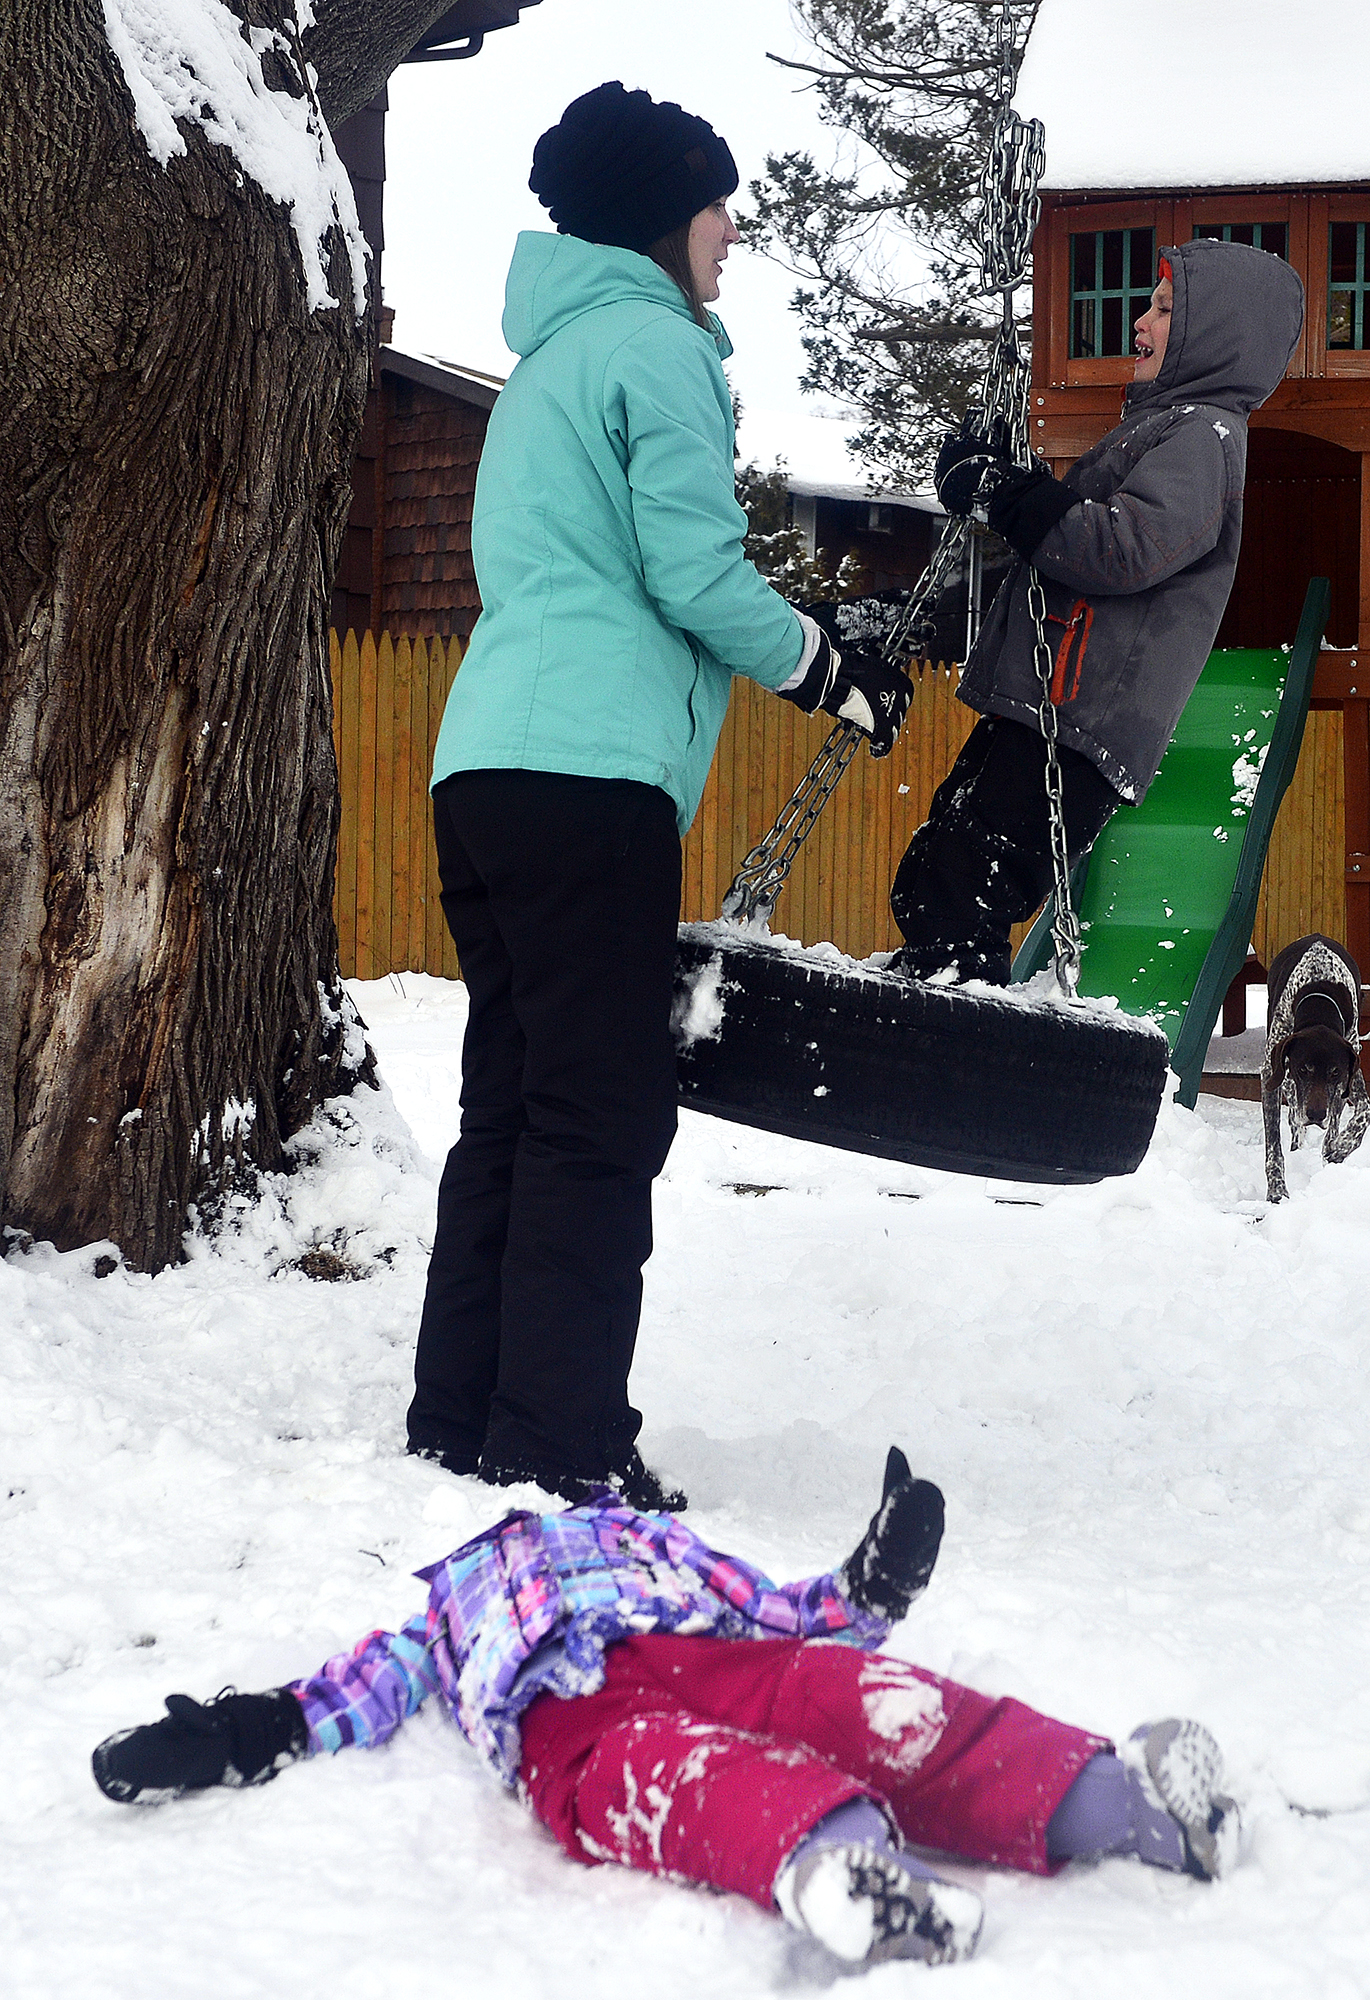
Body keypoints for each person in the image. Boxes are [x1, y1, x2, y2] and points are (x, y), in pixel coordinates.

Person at [404, 81, 913, 1508]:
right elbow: (688, 576)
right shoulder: (657, 349)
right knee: (600, 1113)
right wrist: (831, 669)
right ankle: (559, 1442)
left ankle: (463, 1413)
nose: (732, 230)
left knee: (513, 1097)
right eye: (715, 203)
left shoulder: (552, 361)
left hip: (485, 768)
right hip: (586, 779)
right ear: (660, 214)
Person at [91, 1450, 1239, 1973]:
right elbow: (349, 1694)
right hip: (563, 1710)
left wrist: (867, 1587)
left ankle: (1121, 1802)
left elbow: (789, 1615)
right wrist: (241, 1729)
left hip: (700, 1646)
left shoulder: (652, 1540)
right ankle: (841, 1870)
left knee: (860, 1698)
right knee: (676, 1777)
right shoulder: (444, 1608)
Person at [890, 236, 1305, 983]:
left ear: (1218, 334)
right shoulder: (1168, 428)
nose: (1140, 323)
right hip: (1050, 710)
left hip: (1082, 718)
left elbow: (1125, 548)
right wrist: (1007, 482)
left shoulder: (1203, 437)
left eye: (1166, 308)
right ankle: (934, 991)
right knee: (940, 862)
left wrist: (1008, 496)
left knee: (968, 876)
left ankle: (952, 1021)